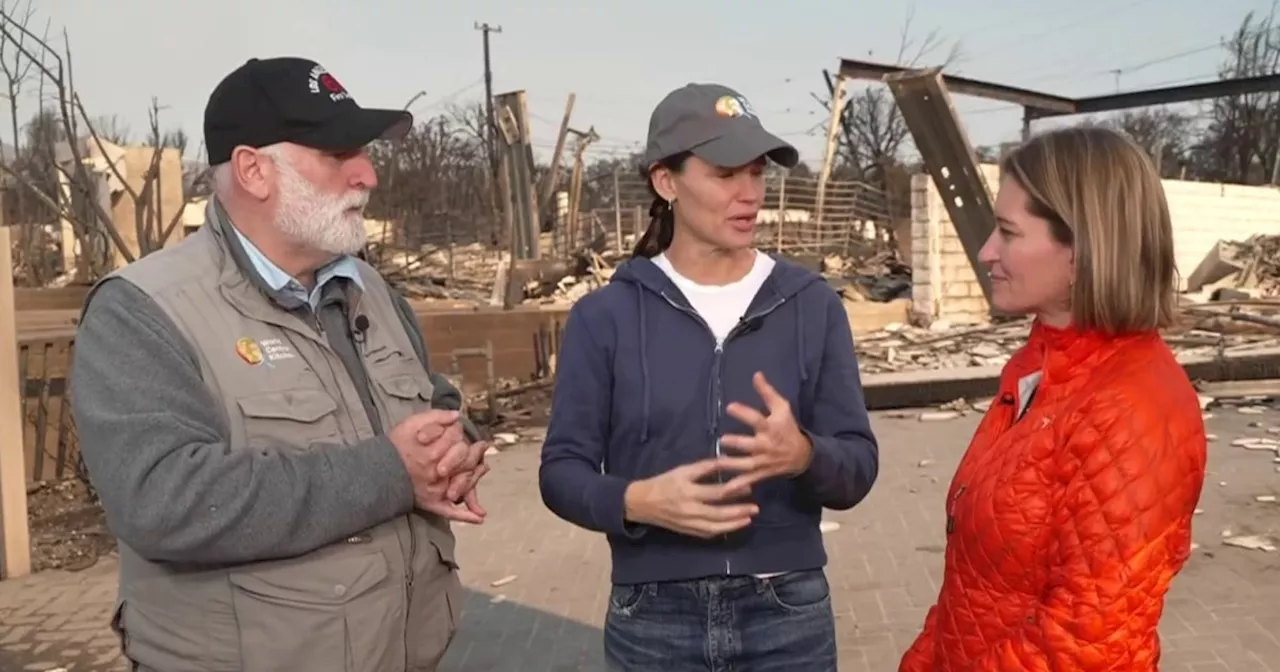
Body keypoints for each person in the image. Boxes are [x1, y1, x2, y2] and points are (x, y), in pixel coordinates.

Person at [70, 57, 490, 672]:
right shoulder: (143, 310)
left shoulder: (371, 290)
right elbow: (163, 500)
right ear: (253, 170)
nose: (367, 174)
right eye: (338, 154)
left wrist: (455, 450)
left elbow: (433, 402)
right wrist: (394, 473)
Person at [538, 82, 880, 671]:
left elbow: (857, 467)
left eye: (757, 172)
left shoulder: (811, 305)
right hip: (653, 620)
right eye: (725, 174)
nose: (749, 194)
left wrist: (803, 456)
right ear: (665, 181)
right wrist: (636, 500)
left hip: (787, 614)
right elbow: (560, 472)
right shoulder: (605, 317)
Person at [898, 126, 1208, 671]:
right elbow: (973, 586)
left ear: (1084, 246)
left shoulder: (1133, 409)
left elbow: (1084, 643)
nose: (986, 251)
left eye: (1008, 233)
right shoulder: (1036, 368)